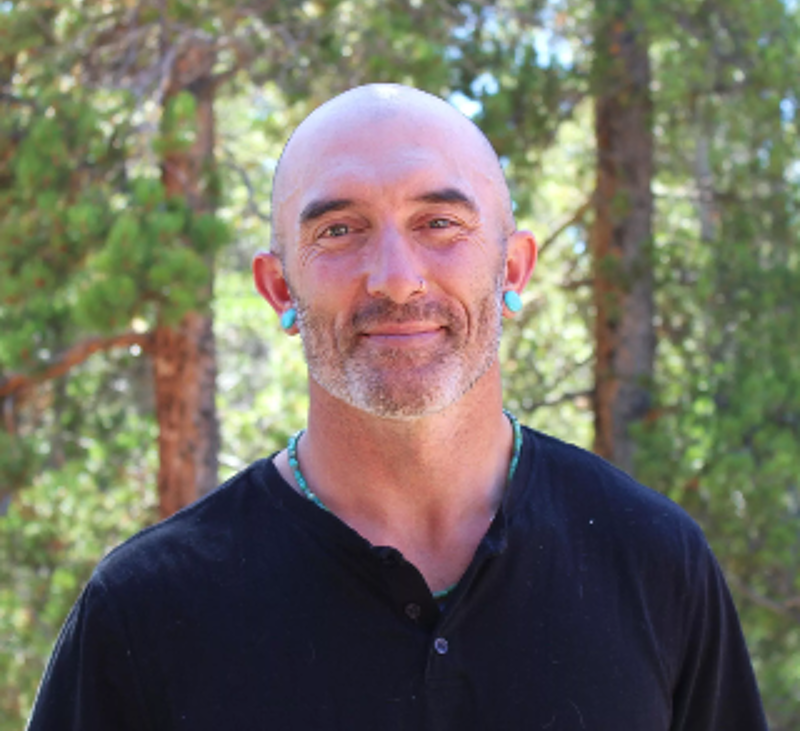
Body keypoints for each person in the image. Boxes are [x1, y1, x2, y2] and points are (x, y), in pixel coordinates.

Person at [28, 84, 767, 730]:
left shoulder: (655, 563)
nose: (396, 279)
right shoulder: (146, 612)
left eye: (439, 223)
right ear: (280, 290)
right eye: (340, 230)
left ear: (512, 267)